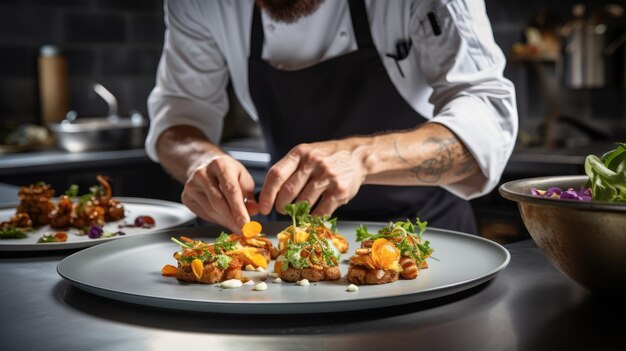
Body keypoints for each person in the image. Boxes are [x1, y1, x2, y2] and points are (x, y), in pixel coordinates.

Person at [146, 0, 518, 235]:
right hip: (291, 249)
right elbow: (179, 113)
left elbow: (489, 120)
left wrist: (360, 157)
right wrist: (202, 160)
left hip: (425, 241)